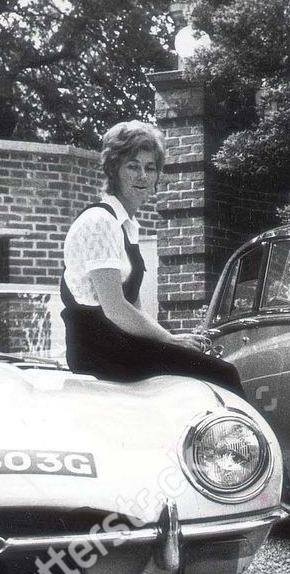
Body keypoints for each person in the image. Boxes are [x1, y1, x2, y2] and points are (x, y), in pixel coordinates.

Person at [60, 120, 242, 392]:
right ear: (114, 170)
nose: (142, 176)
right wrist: (170, 340)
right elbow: (115, 308)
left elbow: (135, 309)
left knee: (207, 367)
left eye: (150, 168)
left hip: (119, 343)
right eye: (132, 166)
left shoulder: (126, 226)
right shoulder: (100, 221)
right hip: (98, 351)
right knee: (222, 374)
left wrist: (169, 341)